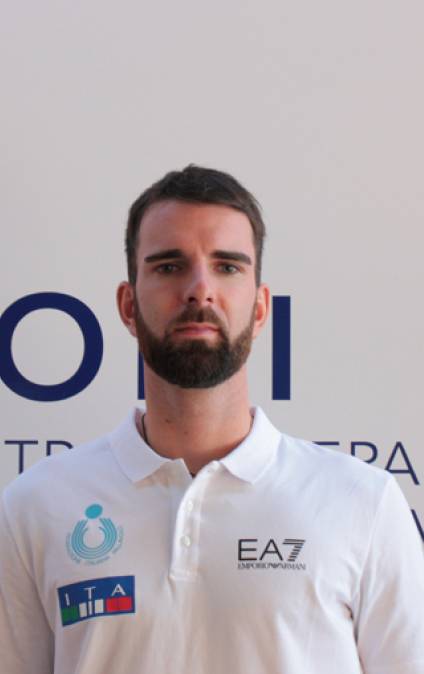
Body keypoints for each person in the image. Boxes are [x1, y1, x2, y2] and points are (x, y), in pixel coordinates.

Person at [0, 165, 423, 674]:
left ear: (260, 309)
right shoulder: (35, 507)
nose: (200, 290)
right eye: (169, 266)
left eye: (226, 267)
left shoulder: (362, 504)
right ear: (128, 306)